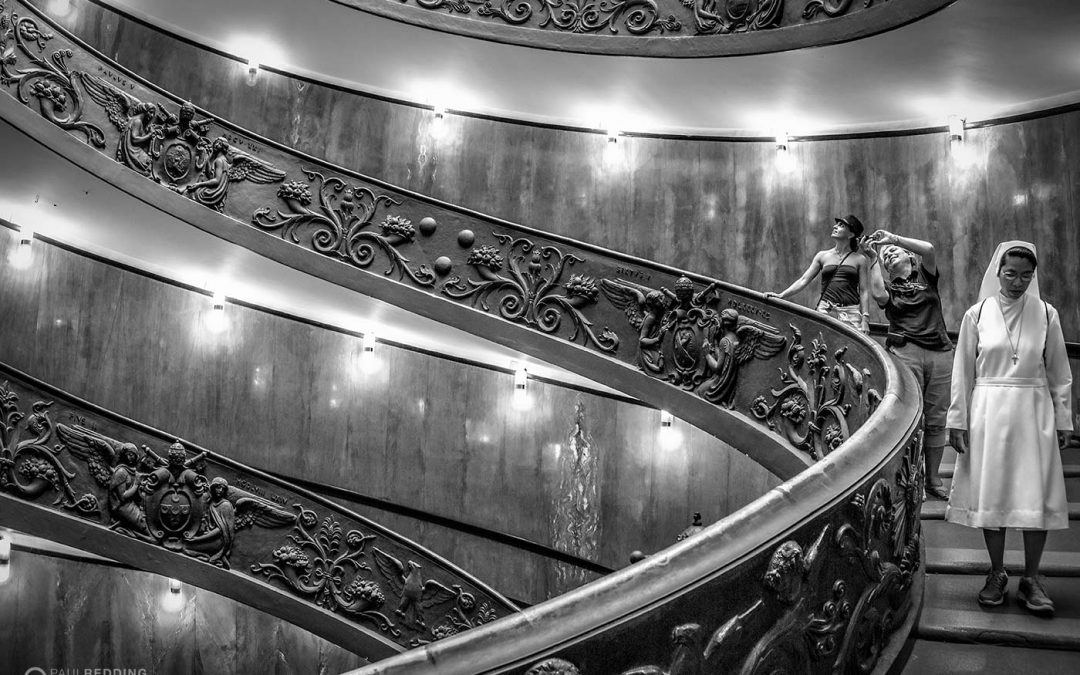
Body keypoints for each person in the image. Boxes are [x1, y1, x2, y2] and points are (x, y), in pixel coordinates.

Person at [945, 241, 1073, 616]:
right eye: (1011, 273)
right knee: (994, 495)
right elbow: (962, 372)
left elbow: (1060, 373)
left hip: (1034, 411)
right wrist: (957, 418)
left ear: (1034, 277)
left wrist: (1064, 417)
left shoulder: (1047, 313)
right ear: (997, 272)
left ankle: (1031, 578)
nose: (1018, 281)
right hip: (988, 408)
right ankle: (997, 572)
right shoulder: (977, 313)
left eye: (1026, 275)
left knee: (1036, 495)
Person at [865, 230, 954, 500]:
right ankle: (912, 480)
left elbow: (928, 247)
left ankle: (933, 480)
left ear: (909, 258)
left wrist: (893, 239)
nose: (889, 254)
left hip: (940, 352)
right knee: (913, 419)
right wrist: (872, 258)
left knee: (937, 419)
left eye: (894, 252)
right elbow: (878, 295)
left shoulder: (926, 277)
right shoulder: (890, 289)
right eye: (885, 256)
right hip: (906, 352)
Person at [766, 215, 871, 333]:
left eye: (841, 226)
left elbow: (864, 290)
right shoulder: (822, 256)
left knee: (851, 349)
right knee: (823, 347)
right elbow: (803, 280)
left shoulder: (860, 259)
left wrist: (865, 319)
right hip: (826, 311)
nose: (835, 227)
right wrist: (781, 295)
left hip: (851, 313)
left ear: (851, 235)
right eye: (836, 224)